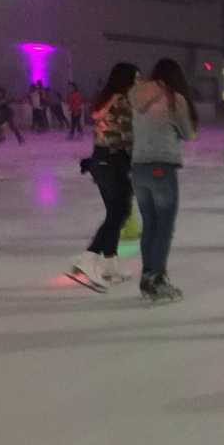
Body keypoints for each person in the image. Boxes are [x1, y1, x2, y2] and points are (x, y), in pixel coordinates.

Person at [129, 58, 197, 302]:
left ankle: (148, 277)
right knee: (164, 226)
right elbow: (189, 133)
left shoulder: (136, 97)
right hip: (162, 166)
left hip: (138, 168)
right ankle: (156, 279)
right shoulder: (173, 99)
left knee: (150, 225)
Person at [66, 63, 138, 293]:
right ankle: (88, 258)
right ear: (126, 80)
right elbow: (128, 137)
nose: (138, 82)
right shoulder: (122, 101)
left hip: (100, 160)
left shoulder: (105, 98)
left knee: (115, 211)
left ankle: (110, 263)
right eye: (136, 78)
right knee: (120, 211)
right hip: (114, 161)